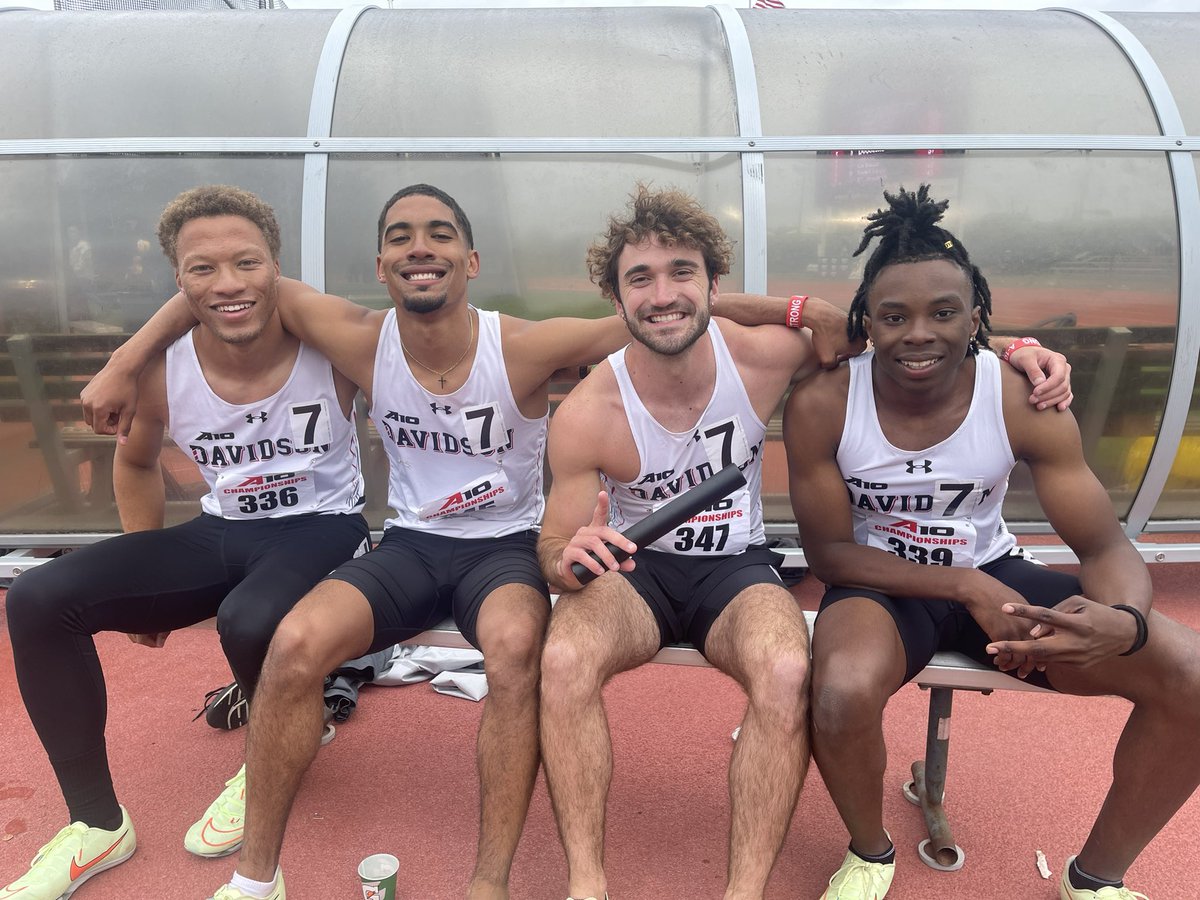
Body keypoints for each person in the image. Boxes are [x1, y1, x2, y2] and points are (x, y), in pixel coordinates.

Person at [75, 183, 857, 900]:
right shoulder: (355, 335)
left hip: (513, 550)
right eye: (402, 237)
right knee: (294, 645)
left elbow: (665, 312)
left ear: (471, 259)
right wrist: (125, 359)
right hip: (413, 545)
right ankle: (258, 882)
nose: (421, 247)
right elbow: (222, 287)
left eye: (441, 233)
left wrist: (792, 309)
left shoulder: (527, 346)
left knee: (542, 651)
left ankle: (493, 883)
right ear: (380, 264)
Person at [534, 185, 1072, 900]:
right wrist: (568, 563)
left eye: (681, 273)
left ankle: (743, 893)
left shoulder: (761, 356)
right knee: (564, 655)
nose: (662, 294)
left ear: (714, 285)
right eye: (640, 279)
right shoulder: (588, 410)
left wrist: (1021, 347)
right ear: (617, 297)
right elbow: (553, 542)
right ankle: (586, 885)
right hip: (637, 573)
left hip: (737, 570)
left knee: (788, 671)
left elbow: (912, 335)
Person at [782, 184, 1200, 900]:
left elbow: (1102, 544)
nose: (919, 333)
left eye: (943, 312)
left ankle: (1094, 879)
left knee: (1191, 676)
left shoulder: (1016, 397)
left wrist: (1123, 621)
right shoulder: (823, 402)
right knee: (842, 691)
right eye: (894, 316)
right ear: (867, 325)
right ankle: (870, 854)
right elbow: (830, 556)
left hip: (996, 567)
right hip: (884, 581)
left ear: (976, 317)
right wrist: (968, 588)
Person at [2, 185, 371, 900]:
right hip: (223, 529)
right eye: (202, 269)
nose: (228, 283)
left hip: (326, 525)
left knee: (249, 616)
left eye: (247, 263)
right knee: (40, 597)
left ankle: (281, 737)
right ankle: (96, 826)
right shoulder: (162, 372)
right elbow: (135, 461)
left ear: (277, 268)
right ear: (178, 281)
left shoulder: (325, 341)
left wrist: (128, 345)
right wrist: (145, 589)